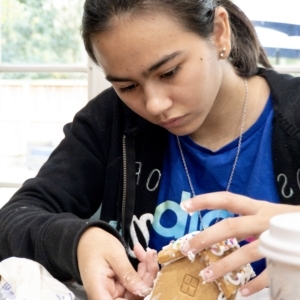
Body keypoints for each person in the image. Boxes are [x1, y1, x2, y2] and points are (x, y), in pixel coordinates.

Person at [1, 0, 300, 299]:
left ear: (219, 33)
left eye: (169, 72)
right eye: (128, 87)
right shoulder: (112, 121)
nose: (155, 104)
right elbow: (14, 218)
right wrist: (80, 241)